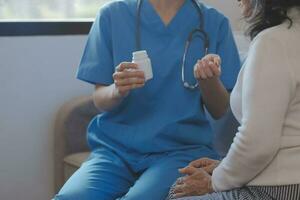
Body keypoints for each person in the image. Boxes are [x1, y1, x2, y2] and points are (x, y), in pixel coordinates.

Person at [54, 0, 240, 199]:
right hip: (115, 151)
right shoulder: (111, 15)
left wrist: (209, 80)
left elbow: (220, 110)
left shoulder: (215, 23)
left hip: (180, 151)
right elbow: (99, 100)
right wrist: (117, 90)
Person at [169, 0, 300, 199]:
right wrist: (224, 165)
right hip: (283, 175)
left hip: (279, 185)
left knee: (176, 193)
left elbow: (258, 144)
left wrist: (215, 181)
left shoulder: (273, 42)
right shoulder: (290, 36)